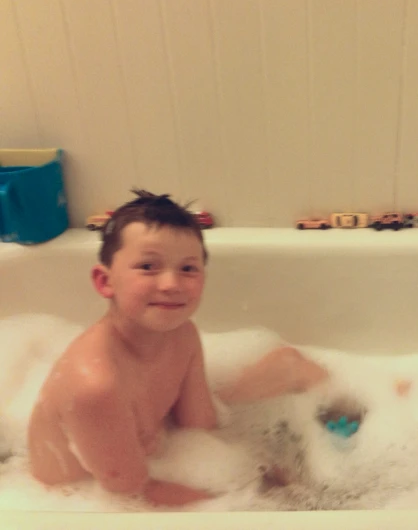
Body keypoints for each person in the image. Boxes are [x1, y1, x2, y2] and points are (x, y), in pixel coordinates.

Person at [27, 189, 327, 507]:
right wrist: (254, 496)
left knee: (291, 378)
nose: (171, 283)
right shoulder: (95, 385)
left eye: (188, 269)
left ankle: (295, 376)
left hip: (144, 451)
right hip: (81, 496)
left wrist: (256, 462)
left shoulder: (183, 334)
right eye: (148, 266)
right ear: (105, 282)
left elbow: (198, 423)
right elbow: (132, 490)